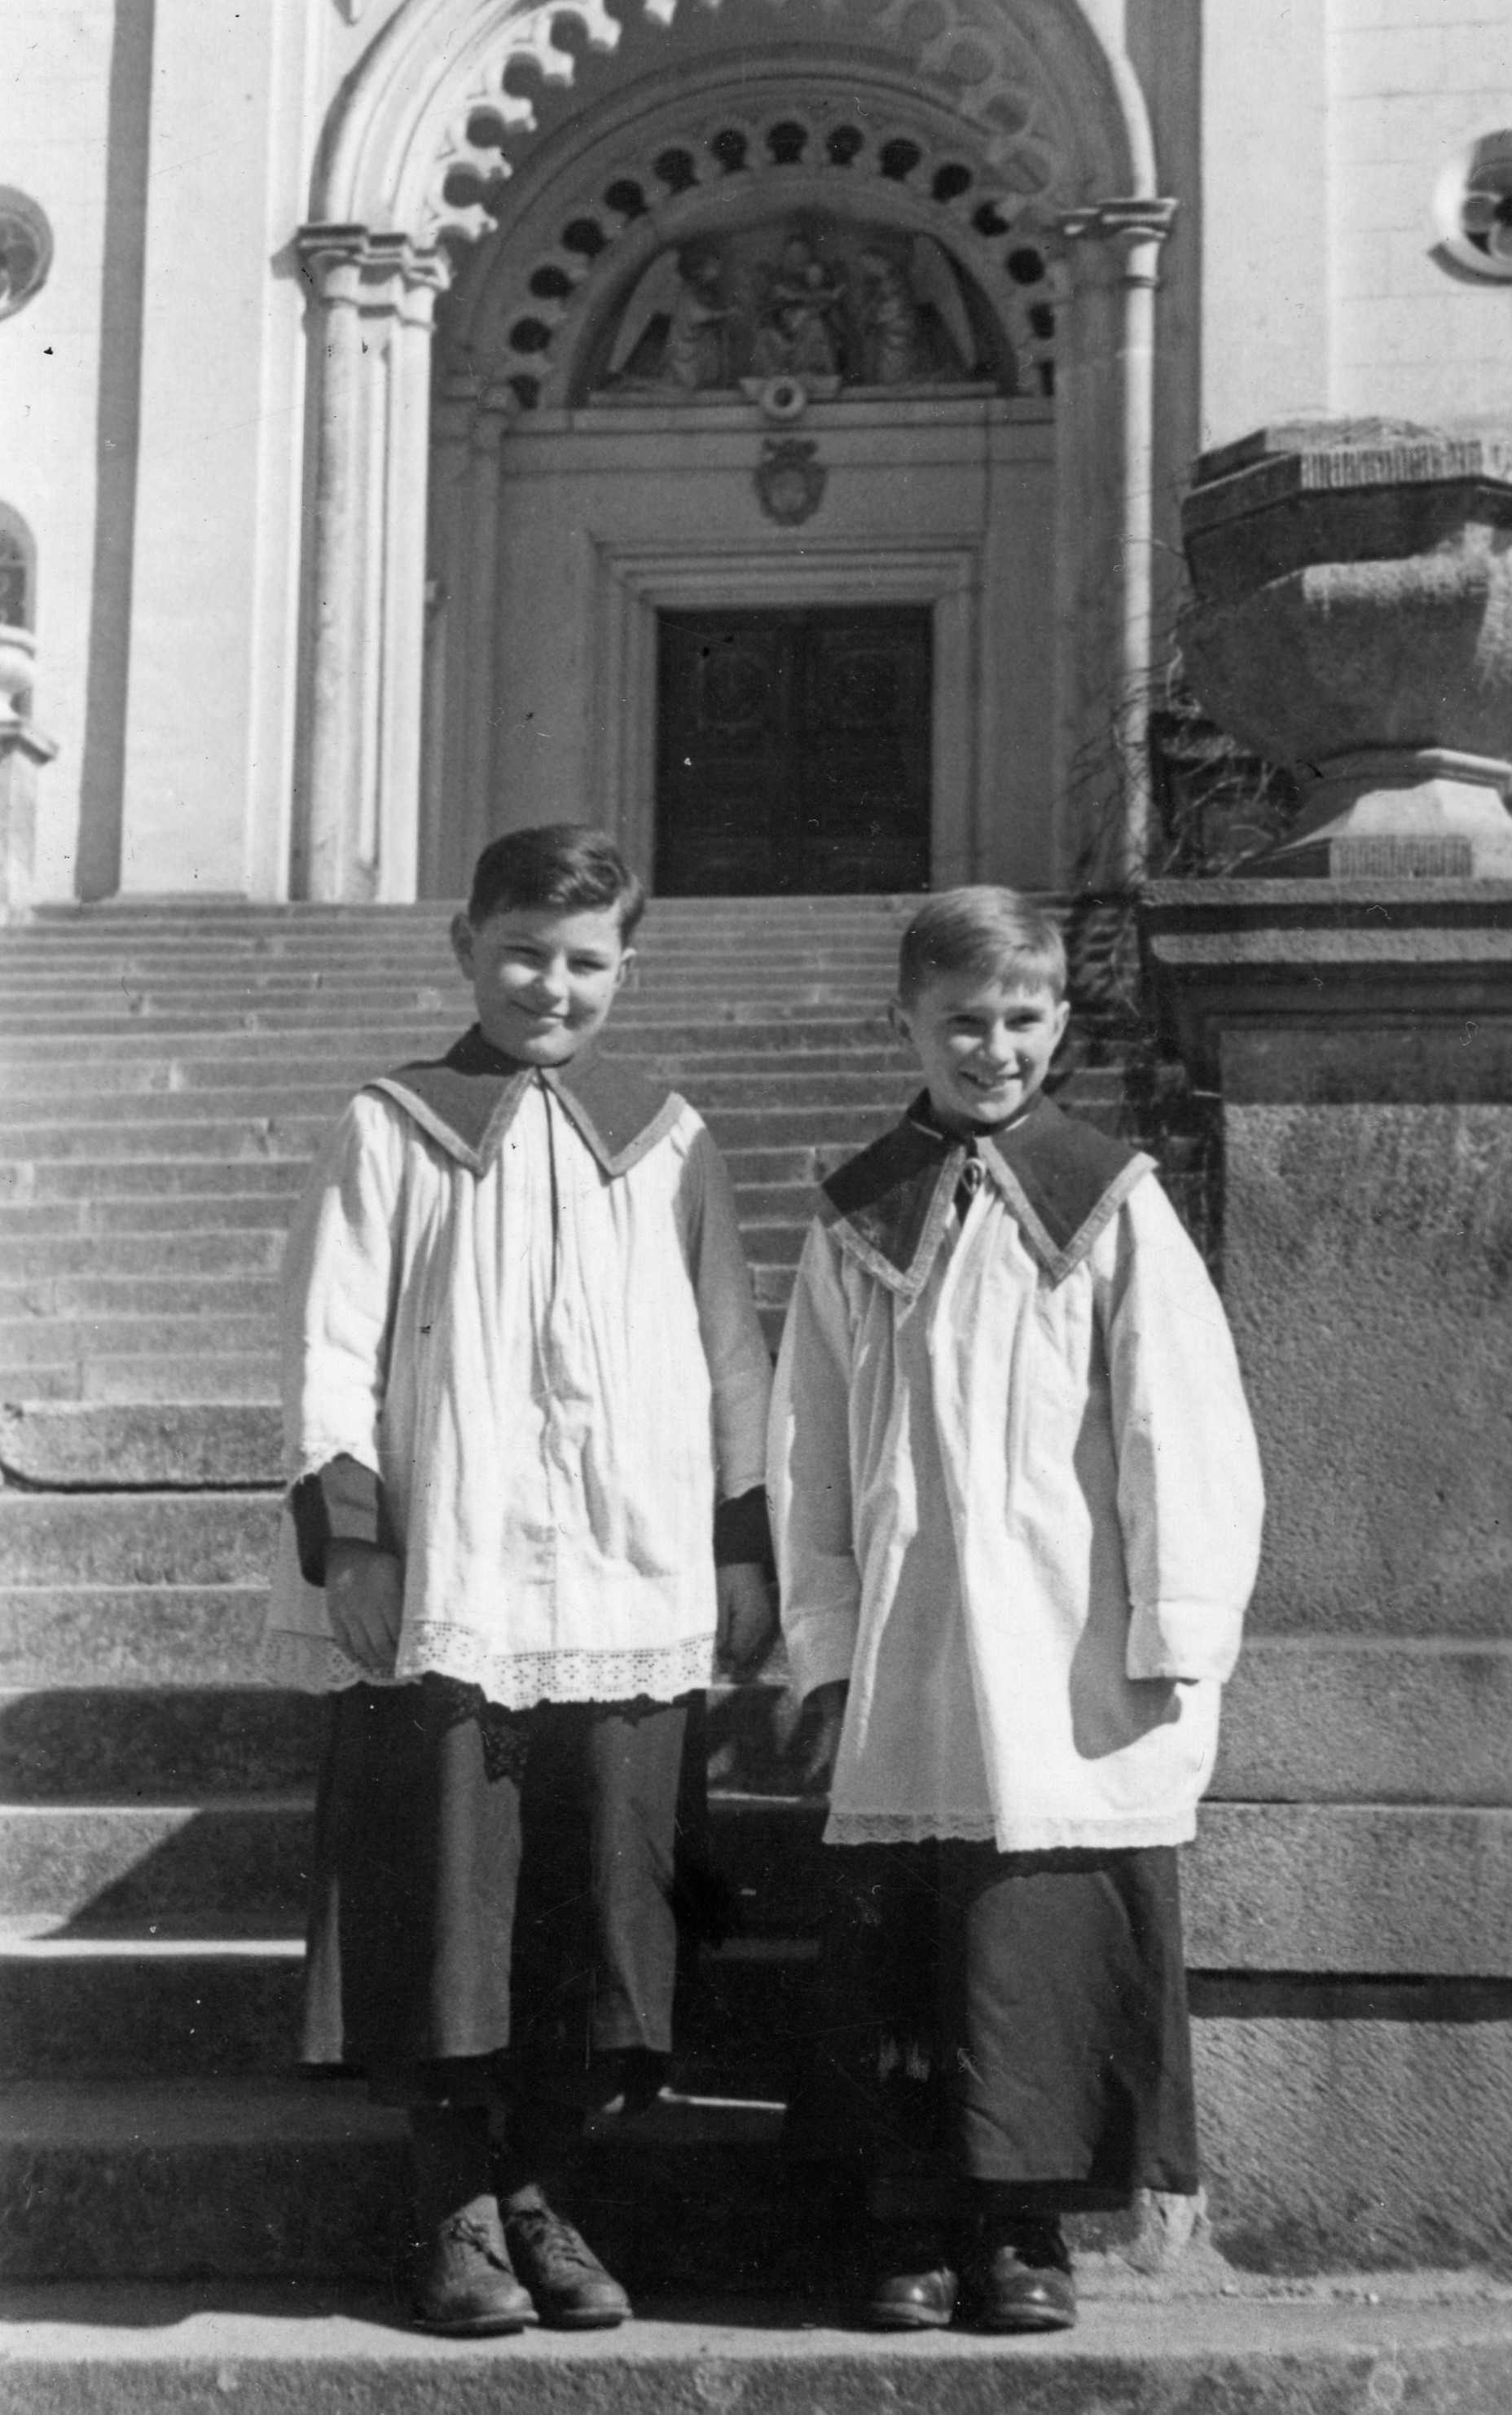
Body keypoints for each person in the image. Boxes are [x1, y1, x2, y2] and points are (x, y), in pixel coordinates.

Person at [263, 825, 774, 2336]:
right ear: (465, 949)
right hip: (455, 1573)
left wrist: (740, 1543)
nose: (553, 986)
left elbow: (734, 1360)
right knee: (449, 1887)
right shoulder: (393, 1127)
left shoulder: (667, 1140)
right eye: (522, 954)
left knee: (601, 1892)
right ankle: (454, 2205)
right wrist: (359, 1540)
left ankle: (549, 2189)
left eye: (585, 961)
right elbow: (328, 1342)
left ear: (628, 967)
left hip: (627, 1574)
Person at [768, 886, 1263, 2334]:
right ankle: (911, 2221)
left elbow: (1184, 1422)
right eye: (964, 1021)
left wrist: (1176, 1621)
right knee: (912, 1932)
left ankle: (1023, 2226)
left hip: (1064, 1626)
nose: (994, 1049)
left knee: (1039, 1932)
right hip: (912, 1627)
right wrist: (821, 1642)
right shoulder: (857, 1218)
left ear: (1060, 1022)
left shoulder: (1111, 1201)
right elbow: (809, 1440)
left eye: (1022, 1019)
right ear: (907, 1025)